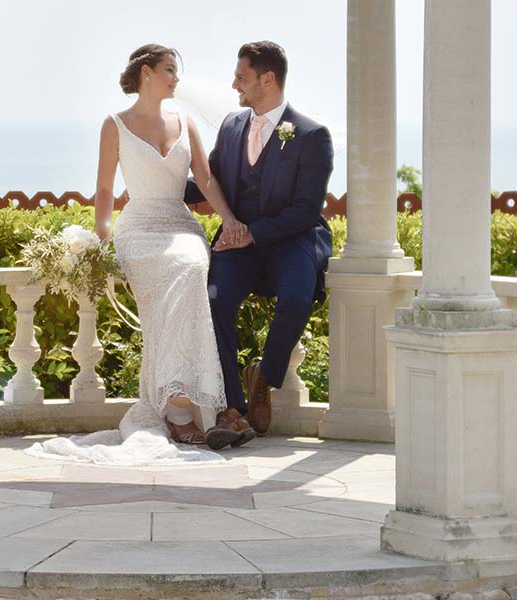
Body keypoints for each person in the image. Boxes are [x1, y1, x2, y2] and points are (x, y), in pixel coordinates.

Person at [26, 44, 254, 465]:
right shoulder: (115, 124)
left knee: (189, 268)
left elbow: (204, 178)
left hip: (181, 226)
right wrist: (100, 240)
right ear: (146, 73)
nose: (176, 79)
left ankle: (184, 406)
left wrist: (232, 220)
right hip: (139, 230)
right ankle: (181, 408)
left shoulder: (184, 121)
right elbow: (106, 189)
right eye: (169, 70)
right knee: (172, 293)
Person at [185, 41, 334, 445]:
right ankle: (233, 407)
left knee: (298, 296)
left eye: (241, 77)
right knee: (215, 299)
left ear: (267, 79)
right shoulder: (232, 126)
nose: (235, 84)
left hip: (290, 239)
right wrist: (159, 186)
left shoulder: (311, 135)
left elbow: (306, 209)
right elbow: (209, 180)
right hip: (238, 243)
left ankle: (264, 378)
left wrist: (252, 232)